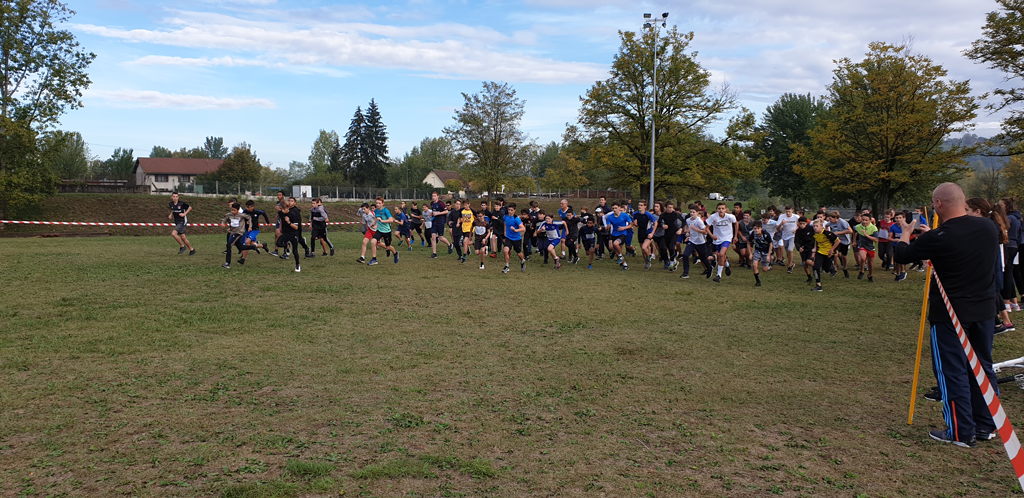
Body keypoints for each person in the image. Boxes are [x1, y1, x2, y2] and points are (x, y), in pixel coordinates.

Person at [894, 182, 999, 448]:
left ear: (938, 204)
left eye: (932, 203)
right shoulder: (988, 227)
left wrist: (906, 233)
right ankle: (986, 425)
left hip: (951, 316)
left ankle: (961, 431)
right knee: (982, 368)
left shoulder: (938, 237)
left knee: (953, 371)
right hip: (984, 311)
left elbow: (903, 255)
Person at [222, 203, 268, 268]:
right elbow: (224, 219)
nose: (233, 212)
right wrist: (223, 223)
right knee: (241, 247)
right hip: (233, 232)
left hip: (239, 233)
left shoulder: (242, 215)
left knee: (229, 245)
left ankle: (227, 263)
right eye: (232, 210)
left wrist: (250, 226)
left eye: (234, 210)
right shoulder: (229, 215)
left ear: (238, 210)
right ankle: (253, 247)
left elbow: (249, 218)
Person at [706, 202, 737, 283]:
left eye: (723, 208)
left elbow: (736, 223)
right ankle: (726, 265)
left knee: (721, 254)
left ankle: (718, 275)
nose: (721, 210)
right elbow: (706, 228)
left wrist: (735, 235)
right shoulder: (713, 217)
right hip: (717, 239)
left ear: (726, 209)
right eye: (719, 208)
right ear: (717, 209)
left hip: (727, 238)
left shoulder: (730, 217)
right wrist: (712, 236)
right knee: (721, 255)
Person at [680, 205, 712, 279]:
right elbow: (688, 229)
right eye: (691, 212)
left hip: (700, 242)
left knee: (703, 258)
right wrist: (688, 234)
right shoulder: (688, 220)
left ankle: (709, 268)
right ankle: (686, 273)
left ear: (697, 213)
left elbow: (705, 232)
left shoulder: (699, 221)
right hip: (692, 241)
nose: (691, 213)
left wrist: (695, 229)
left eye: (693, 212)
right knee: (685, 255)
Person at [810, 219, 839, 292]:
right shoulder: (814, 234)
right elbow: (817, 240)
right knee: (816, 267)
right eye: (814, 226)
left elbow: (838, 241)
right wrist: (815, 250)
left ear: (821, 227)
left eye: (817, 226)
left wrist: (832, 250)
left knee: (826, 269)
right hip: (820, 252)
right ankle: (818, 285)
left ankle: (832, 267)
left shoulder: (827, 233)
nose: (815, 227)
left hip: (828, 253)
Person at [275, 201, 303, 272]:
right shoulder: (281, 213)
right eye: (282, 209)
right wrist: (280, 228)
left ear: (288, 208)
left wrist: (289, 222)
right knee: (278, 243)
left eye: (284, 209)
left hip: (293, 234)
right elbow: (281, 219)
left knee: (295, 251)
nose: (283, 211)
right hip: (285, 233)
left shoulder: (293, 214)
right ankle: (287, 245)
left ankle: (297, 265)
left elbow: (296, 227)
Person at [605, 202, 634, 270]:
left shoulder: (624, 215)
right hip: (614, 234)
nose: (614, 210)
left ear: (619, 208)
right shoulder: (610, 217)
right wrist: (607, 227)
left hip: (622, 234)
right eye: (613, 208)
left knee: (616, 244)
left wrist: (624, 228)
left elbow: (632, 225)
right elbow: (607, 227)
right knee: (611, 248)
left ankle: (620, 256)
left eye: (616, 208)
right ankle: (625, 265)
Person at [370, 197, 398, 265]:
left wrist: (382, 221)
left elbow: (391, 220)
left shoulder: (386, 211)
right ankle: (374, 259)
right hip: (379, 230)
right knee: (373, 242)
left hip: (387, 231)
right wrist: (374, 224)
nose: (377, 204)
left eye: (379, 203)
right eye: (377, 203)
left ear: (383, 203)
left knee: (388, 247)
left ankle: (395, 253)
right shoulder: (376, 211)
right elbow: (377, 217)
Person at [827, 210, 853, 278]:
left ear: (836, 218)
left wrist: (838, 233)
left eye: (830, 218)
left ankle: (845, 268)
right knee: (835, 254)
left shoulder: (843, 222)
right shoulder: (830, 222)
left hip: (844, 241)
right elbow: (827, 225)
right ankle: (835, 269)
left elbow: (850, 231)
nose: (829, 220)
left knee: (844, 256)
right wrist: (828, 233)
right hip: (836, 241)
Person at [853, 213, 878, 282]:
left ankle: (870, 275)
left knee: (870, 263)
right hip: (862, 245)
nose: (864, 222)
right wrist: (854, 241)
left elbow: (876, 239)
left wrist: (866, 235)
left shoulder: (873, 228)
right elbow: (855, 231)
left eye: (866, 220)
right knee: (863, 258)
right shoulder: (858, 227)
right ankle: (862, 271)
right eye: (863, 220)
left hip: (871, 247)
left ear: (870, 220)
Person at [502, 203, 527, 273]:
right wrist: (505, 231)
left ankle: (522, 261)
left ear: (515, 211)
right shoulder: (506, 216)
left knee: (519, 253)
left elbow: (523, 228)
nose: (510, 211)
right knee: (505, 251)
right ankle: (507, 266)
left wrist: (515, 230)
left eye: (511, 210)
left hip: (516, 239)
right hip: (508, 238)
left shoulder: (516, 219)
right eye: (509, 210)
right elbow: (505, 223)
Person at [634, 200, 657, 269]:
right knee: (643, 250)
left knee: (644, 247)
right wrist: (635, 223)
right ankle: (647, 263)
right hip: (640, 232)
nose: (639, 206)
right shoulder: (636, 214)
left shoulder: (648, 214)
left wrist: (652, 233)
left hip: (648, 233)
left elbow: (655, 222)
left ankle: (648, 259)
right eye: (639, 205)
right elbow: (634, 222)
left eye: (641, 205)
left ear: (645, 206)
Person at [749, 220, 772, 287]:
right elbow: (749, 243)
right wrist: (750, 253)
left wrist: (769, 255)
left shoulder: (766, 234)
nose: (756, 230)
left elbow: (771, 244)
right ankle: (758, 281)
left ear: (761, 228)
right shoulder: (753, 234)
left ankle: (770, 262)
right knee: (754, 265)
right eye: (755, 228)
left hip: (766, 252)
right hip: (757, 250)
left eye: (758, 228)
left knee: (764, 269)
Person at [429, 192, 452, 258]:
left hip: (440, 222)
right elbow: (434, 211)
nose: (433, 197)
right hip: (434, 222)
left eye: (434, 196)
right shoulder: (432, 203)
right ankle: (434, 253)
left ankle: (449, 245)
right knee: (433, 237)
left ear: (438, 196)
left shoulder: (441, 203)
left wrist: (437, 214)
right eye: (432, 196)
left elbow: (446, 211)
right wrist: (432, 213)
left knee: (440, 238)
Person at [777, 205, 799, 272]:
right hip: (785, 236)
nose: (788, 213)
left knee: (790, 250)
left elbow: (802, 224)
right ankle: (791, 263)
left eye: (789, 211)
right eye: (786, 211)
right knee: (787, 252)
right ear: (784, 211)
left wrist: (796, 229)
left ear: (792, 210)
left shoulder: (796, 217)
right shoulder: (781, 217)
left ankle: (790, 266)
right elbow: (777, 228)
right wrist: (781, 223)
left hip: (793, 236)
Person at [794, 216, 816, 284]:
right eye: (800, 224)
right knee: (805, 263)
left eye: (803, 223)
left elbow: (815, 239)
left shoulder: (811, 229)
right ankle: (809, 276)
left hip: (811, 248)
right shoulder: (798, 231)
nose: (802, 225)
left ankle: (817, 266)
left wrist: (814, 247)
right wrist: (799, 248)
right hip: (803, 249)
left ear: (806, 223)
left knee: (809, 261)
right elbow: (796, 241)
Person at [889, 212, 908, 282]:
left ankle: (903, 272)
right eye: (897, 218)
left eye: (900, 218)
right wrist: (895, 240)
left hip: (904, 244)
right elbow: (889, 238)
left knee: (902, 258)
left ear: (904, 218)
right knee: (896, 261)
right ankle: (897, 273)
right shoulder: (893, 226)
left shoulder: (906, 226)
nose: (898, 219)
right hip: (896, 245)